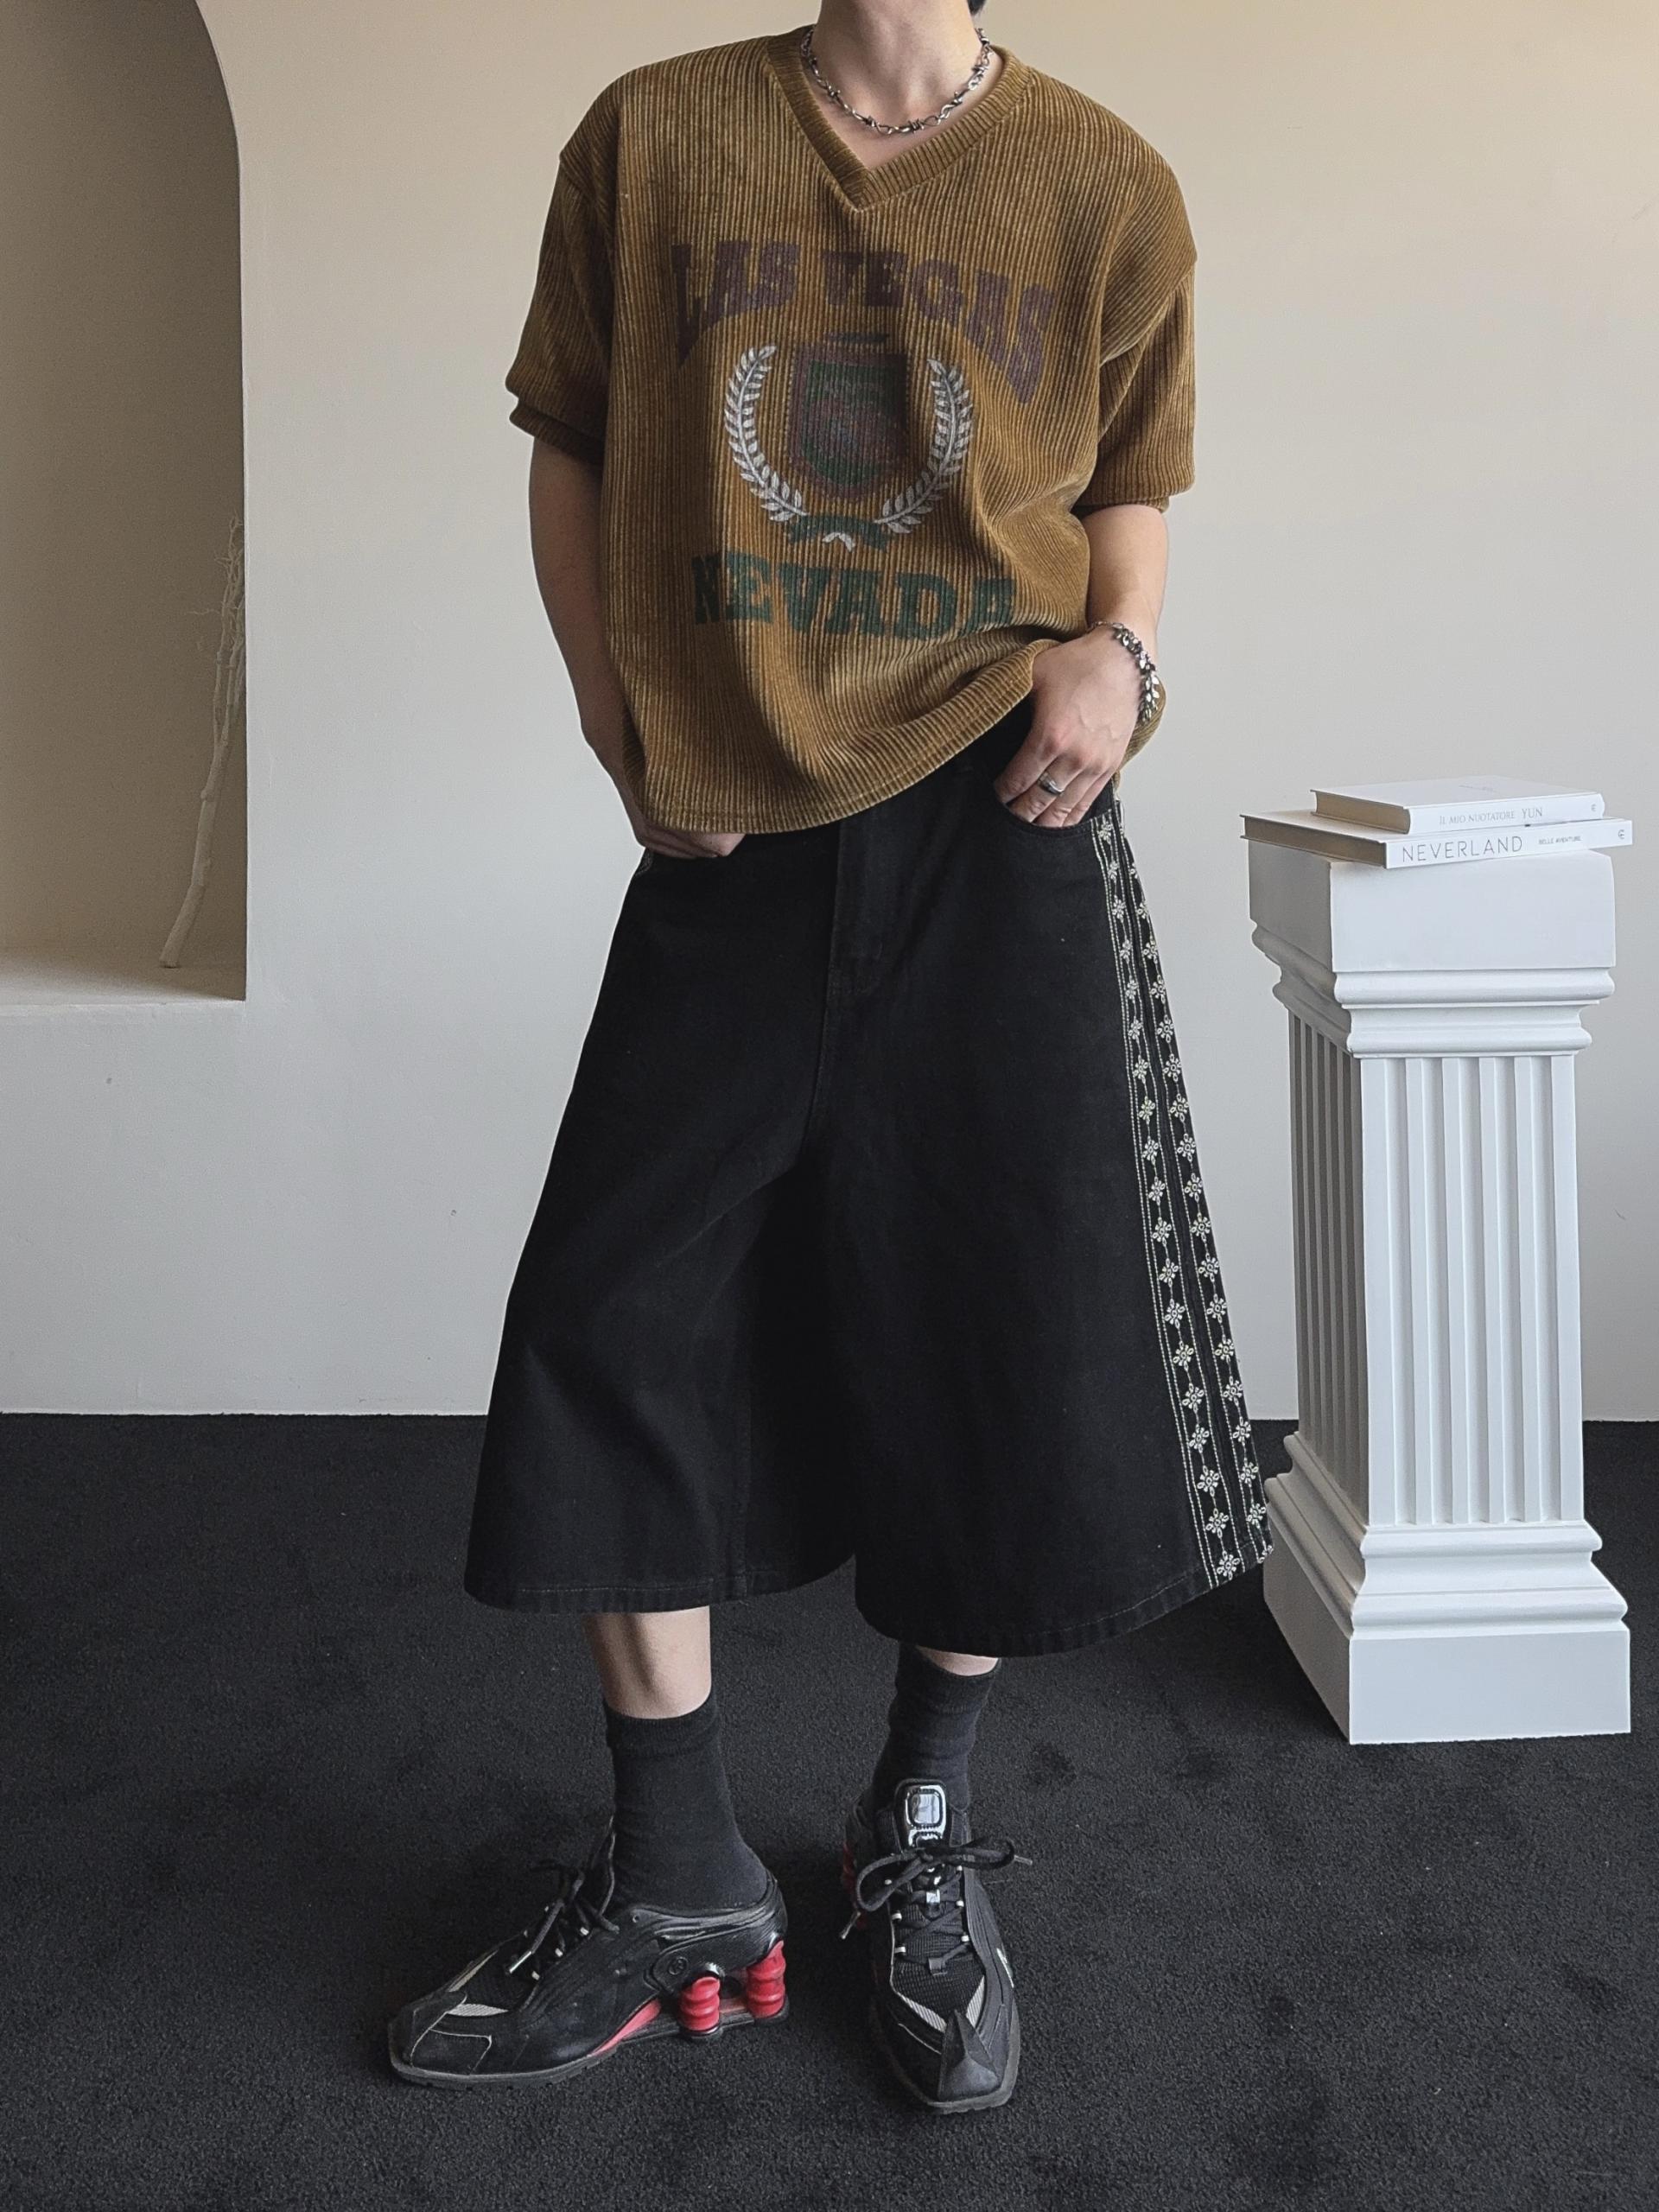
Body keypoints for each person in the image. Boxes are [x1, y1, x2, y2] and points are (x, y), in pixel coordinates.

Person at [388, 0, 1269, 2113]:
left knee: (987, 1322)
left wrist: (1118, 650)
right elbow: (570, 438)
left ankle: (918, 1822)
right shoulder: (651, 138)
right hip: (737, 829)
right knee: (612, 1316)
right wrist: (613, 720)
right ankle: (679, 1869)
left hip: (999, 818)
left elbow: (1129, 496)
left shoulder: (1106, 180)